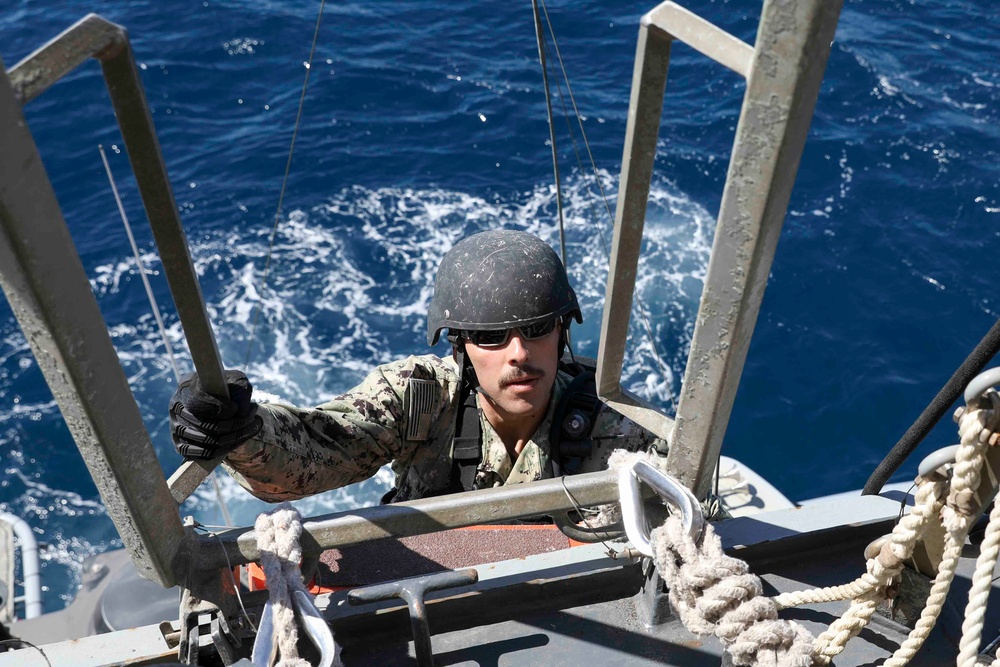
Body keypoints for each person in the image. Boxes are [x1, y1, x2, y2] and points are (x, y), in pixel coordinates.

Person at [170, 229, 664, 503]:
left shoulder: (613, 418)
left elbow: (685, 495)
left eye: (537, 329)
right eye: (491, 337)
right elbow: (316, 450)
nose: (519, 353)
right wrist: (241, 430)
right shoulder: (421, 397)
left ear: (563, 331)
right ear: (460, 347)